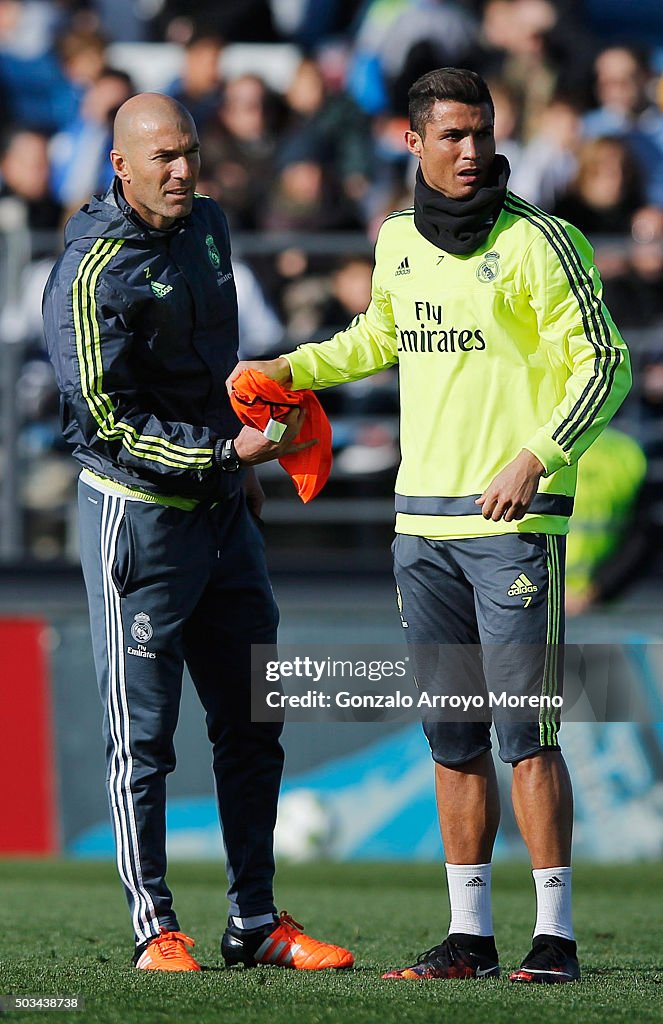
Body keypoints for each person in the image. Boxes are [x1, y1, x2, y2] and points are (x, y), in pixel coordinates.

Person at [228, 68, 632, 984]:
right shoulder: (397, 238)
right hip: (422, 527)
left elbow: (603, 364)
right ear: (411, 143)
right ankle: (469, 939)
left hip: (512, 527)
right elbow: (379, 334)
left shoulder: (542, 239)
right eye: (449, 134)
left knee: (523, 732)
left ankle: (556, 939)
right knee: (452, 736)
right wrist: (289, 366)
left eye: (481, 131)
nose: (470, 150)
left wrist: (537, 455)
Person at [42, 92, 353, 974]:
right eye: (163, 158)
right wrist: (226, 453)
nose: (183, 170)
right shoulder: (88, 271)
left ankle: (255, 921)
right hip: (138, 523)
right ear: (122, 167)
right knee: (142, 738)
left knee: (255, 721)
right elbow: (104, 423)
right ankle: (155, 929)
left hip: (225, 512)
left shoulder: (211, 225)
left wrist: (243, 466)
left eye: (190, 152)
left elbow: (220, 363)